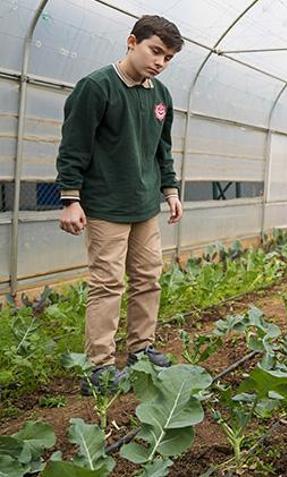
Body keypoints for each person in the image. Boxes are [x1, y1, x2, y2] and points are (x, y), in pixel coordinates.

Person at [55, 15, 184, 395]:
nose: (160, 62)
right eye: (155, 51)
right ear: (132, 42)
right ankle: (98, 366)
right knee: (107, 283)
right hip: (106, 205)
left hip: (145, 205)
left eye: (168, 57)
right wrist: (70, 199)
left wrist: (171, 191)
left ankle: (141, 350)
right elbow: (73, 146)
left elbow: (162, 148)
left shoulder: (161, 95)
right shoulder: (96, 87)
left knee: (148, 278)